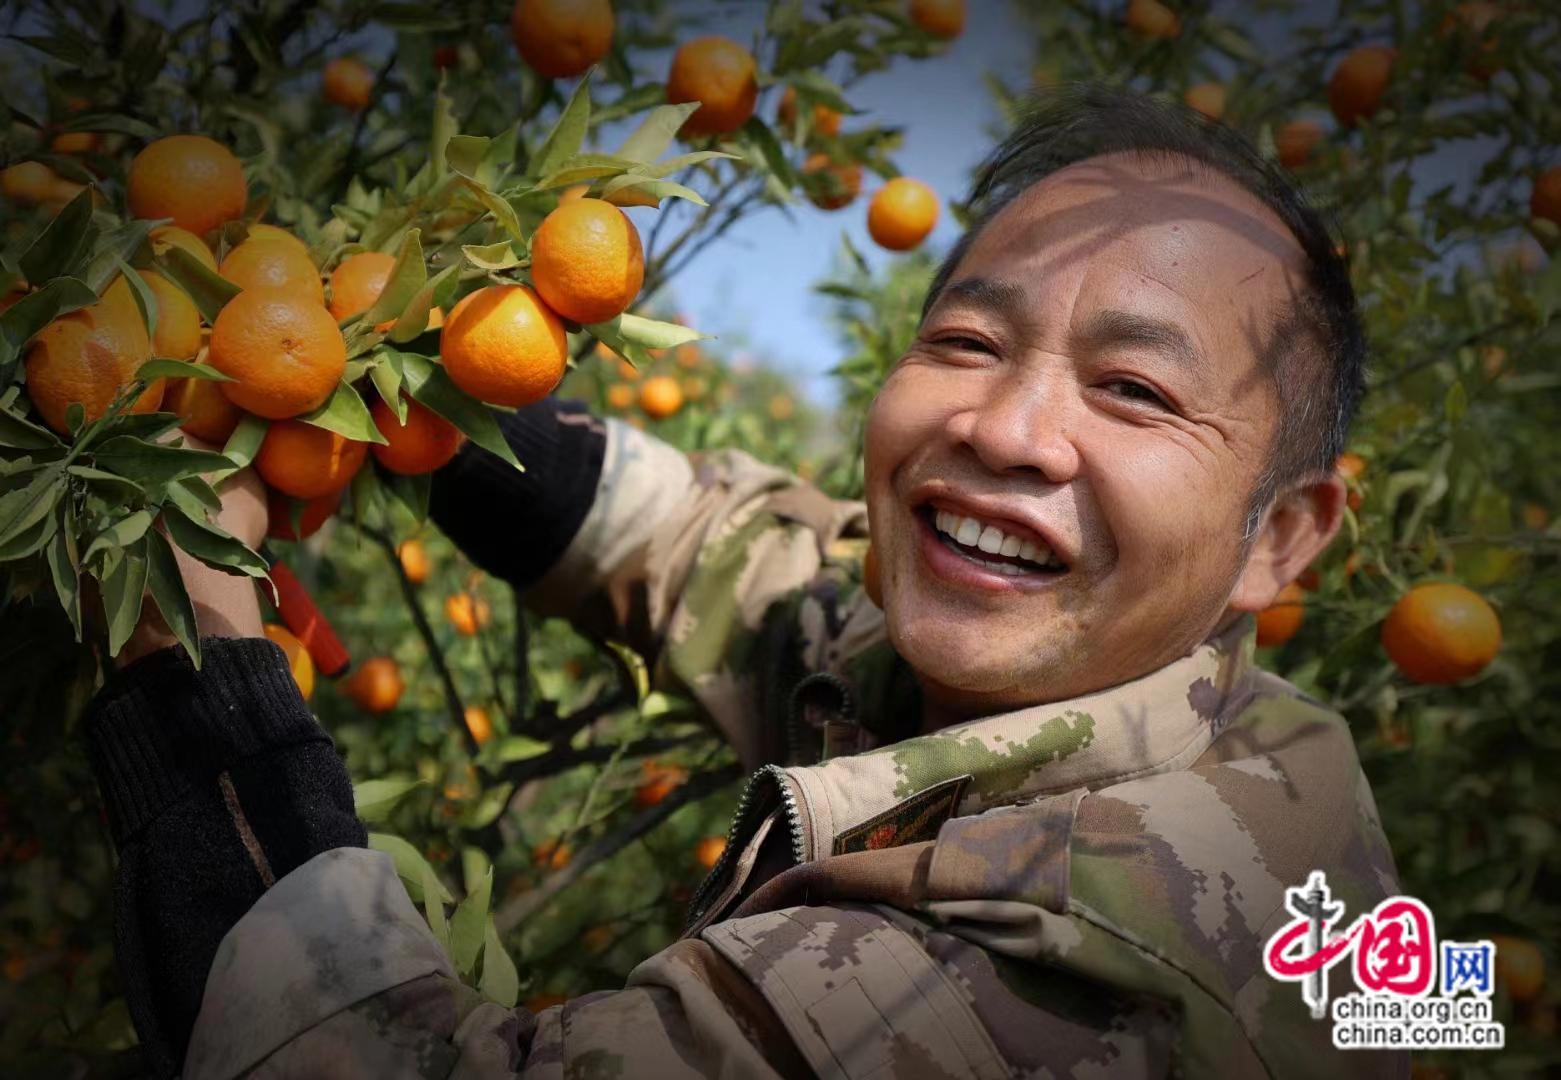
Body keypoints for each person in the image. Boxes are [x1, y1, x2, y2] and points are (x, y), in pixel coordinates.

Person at [84, 84, 1406, 1079]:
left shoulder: (1082, 959)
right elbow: (717, 551)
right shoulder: (1108, 683)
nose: (1007, 429)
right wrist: (380, 379)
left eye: (1133, 388)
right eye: (967, 339)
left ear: (1286, 534)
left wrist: (180, 617)